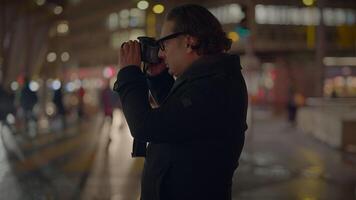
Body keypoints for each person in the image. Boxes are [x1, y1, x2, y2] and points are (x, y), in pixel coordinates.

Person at [114, 4, 248, 200]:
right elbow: (177, 121)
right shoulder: (208, 79)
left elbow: (146, 126)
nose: (161, 53)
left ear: (189, 41)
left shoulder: (216, 86)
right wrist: (159, 78)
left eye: (164, 44)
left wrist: (128, 74)